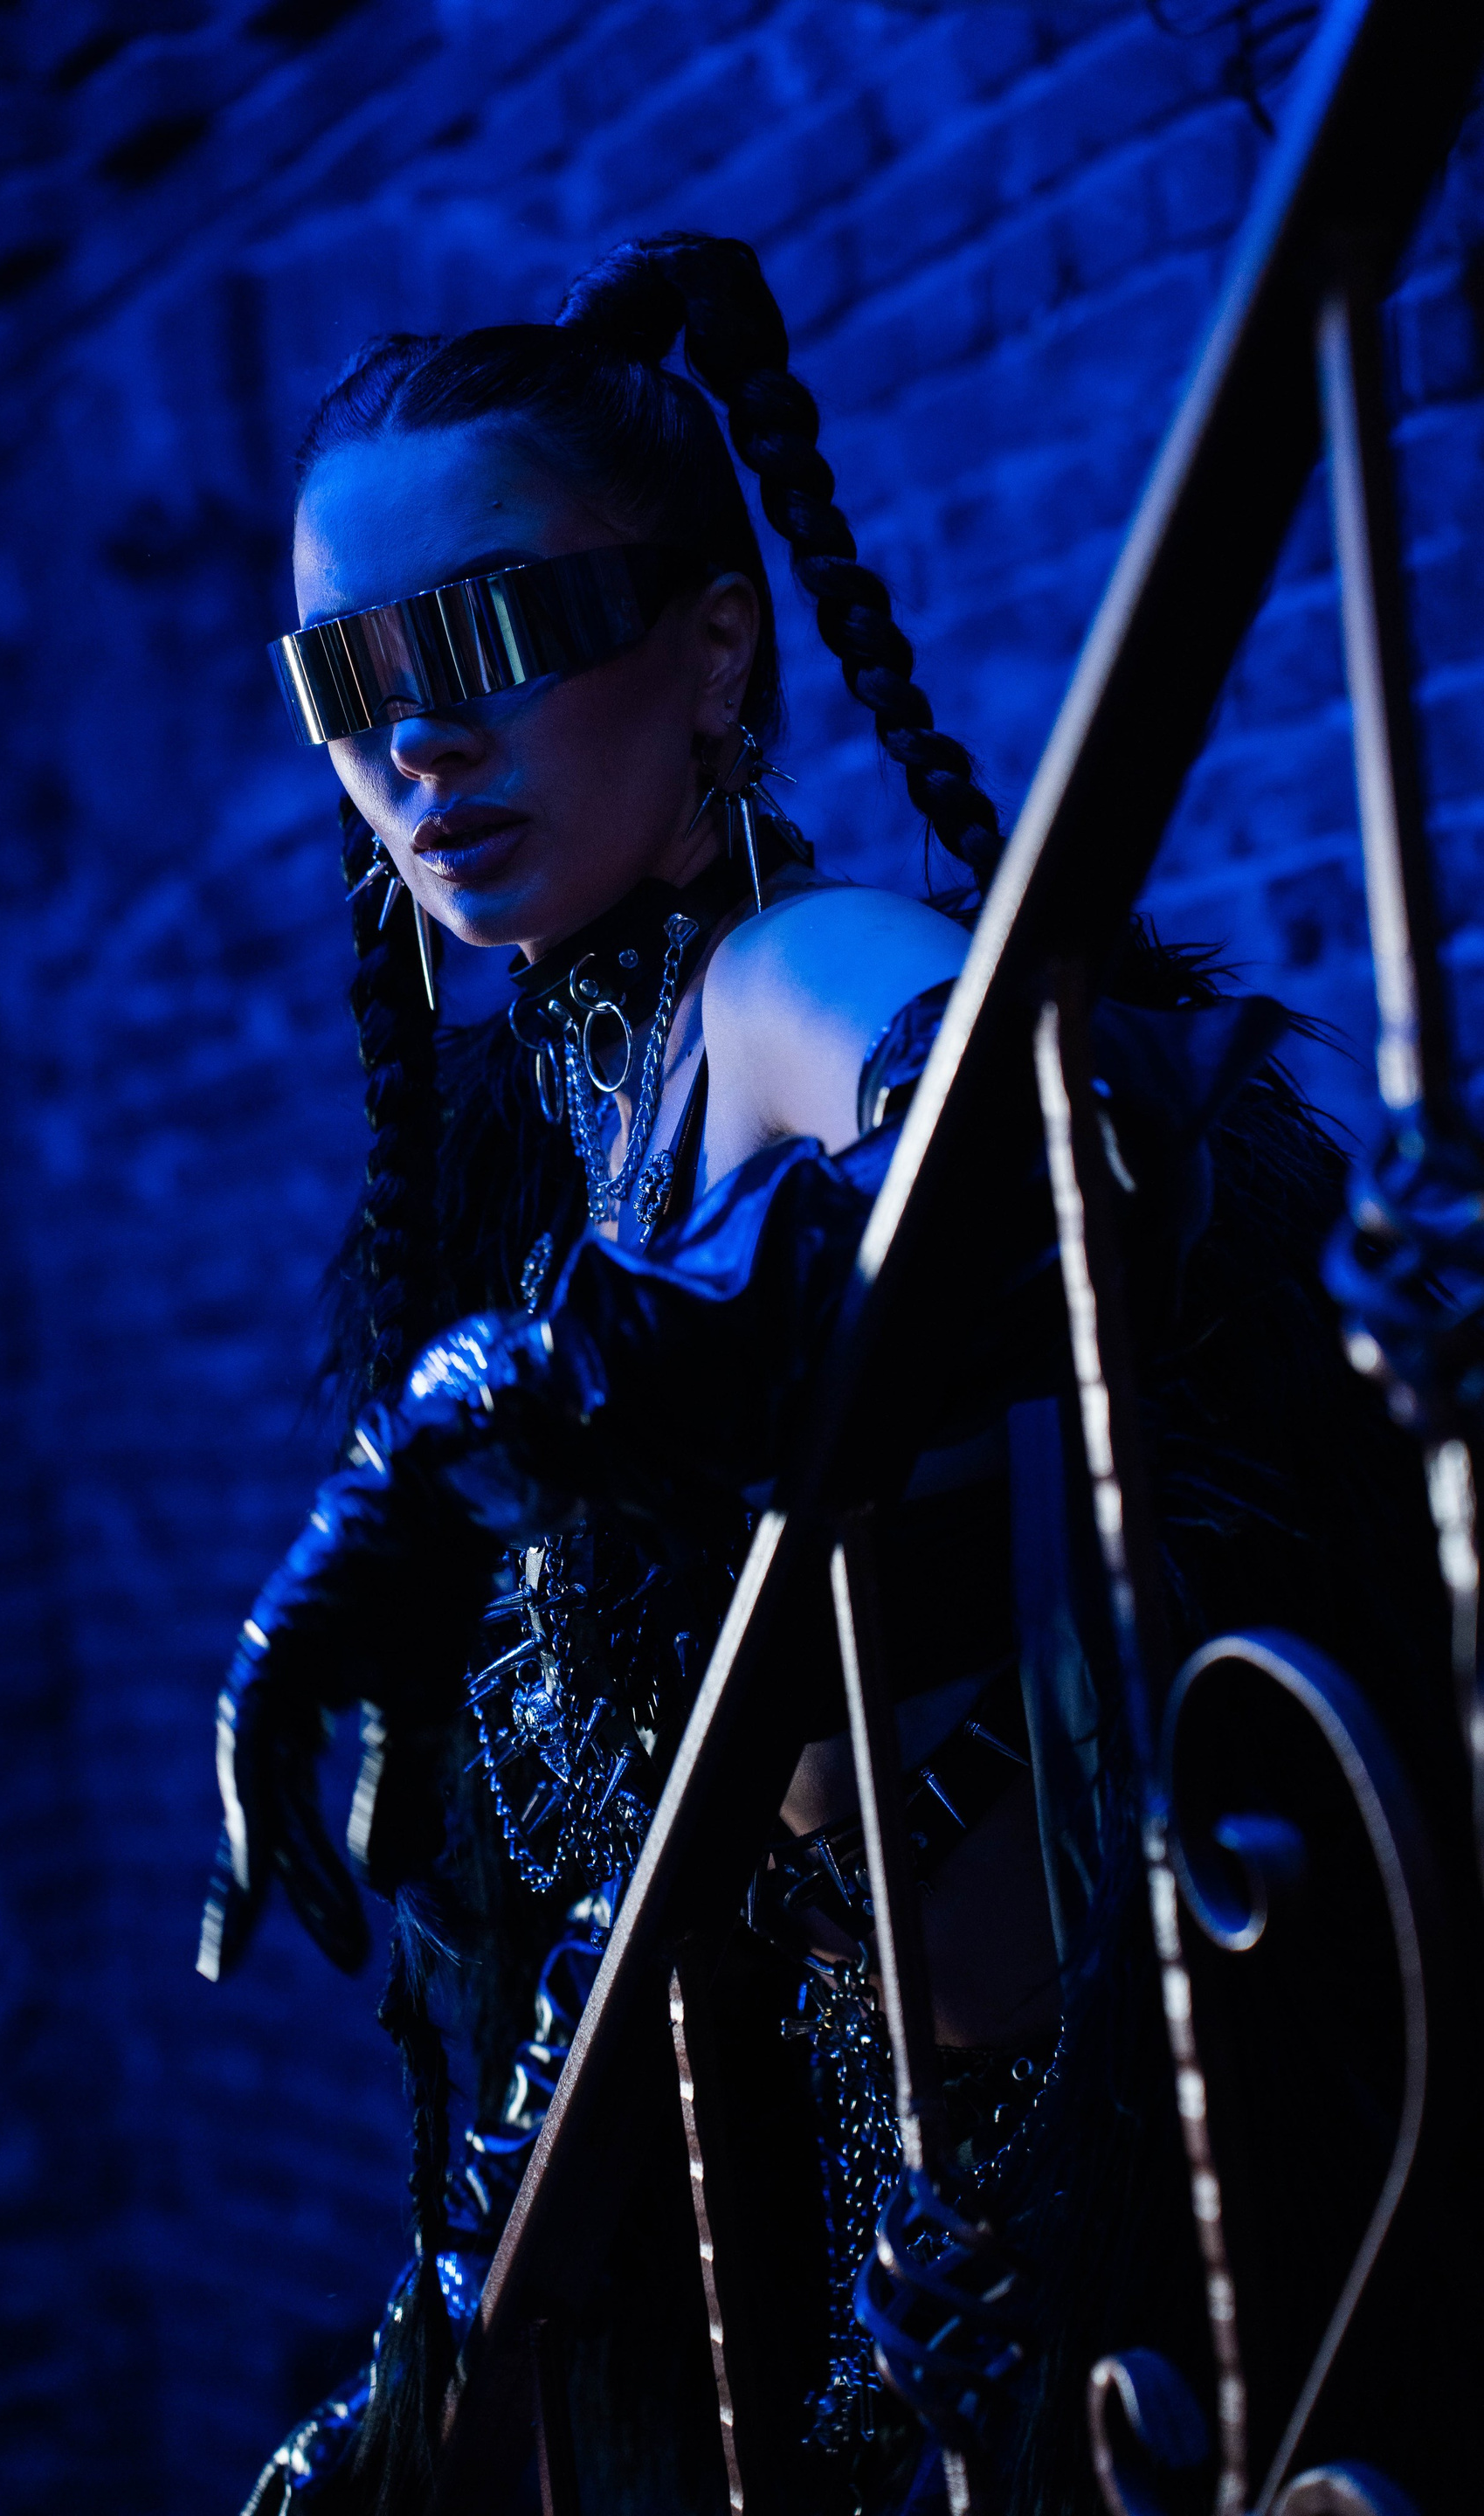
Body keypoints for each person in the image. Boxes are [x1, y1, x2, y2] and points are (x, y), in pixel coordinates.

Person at [197, 234, 1447, 2516]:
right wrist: (442, 2329)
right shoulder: (552, 1150)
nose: (418, 741)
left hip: (1102, 2263)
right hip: (837, 2284)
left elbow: (1045, 1135)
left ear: (715, 649)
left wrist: (534, 1399)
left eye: (491, 631)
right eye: (346, 675)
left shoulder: (787, 986)